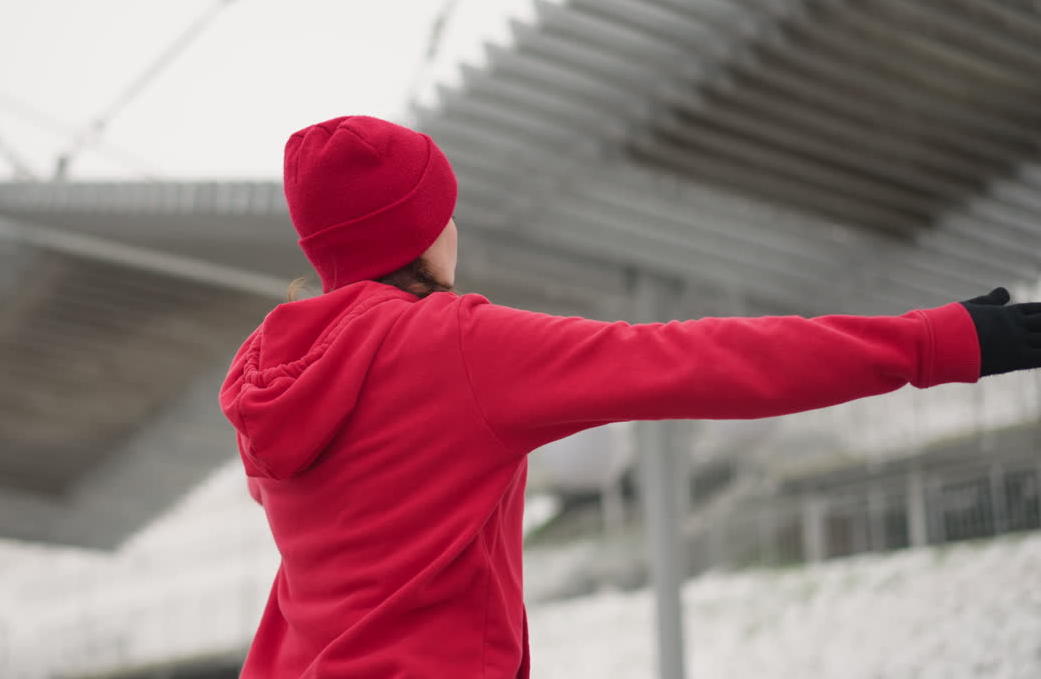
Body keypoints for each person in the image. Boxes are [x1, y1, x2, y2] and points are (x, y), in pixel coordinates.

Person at [218, 115, 1041, 678]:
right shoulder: (455, 346)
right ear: (422, 231)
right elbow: (700, 360)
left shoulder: (268, 375)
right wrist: (937, 341)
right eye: (446, 211)